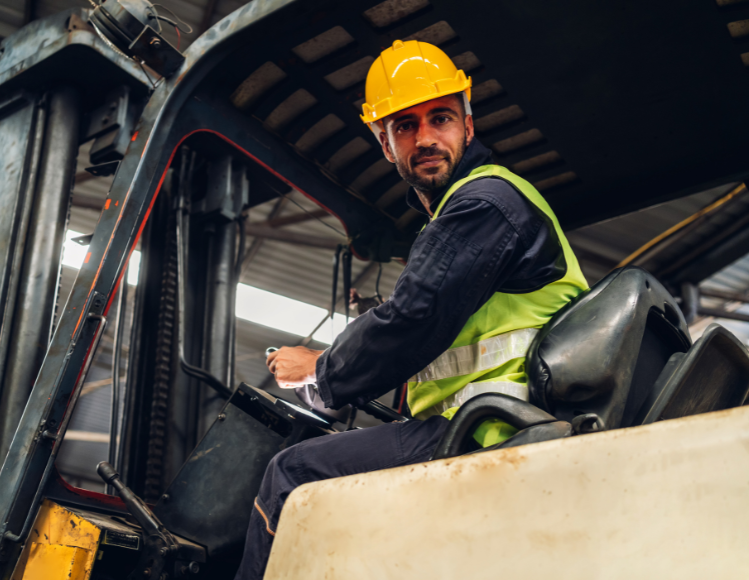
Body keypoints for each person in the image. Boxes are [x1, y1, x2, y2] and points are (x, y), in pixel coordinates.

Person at [233, 40, 589, 579]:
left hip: (489, 429)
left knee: (293, 474)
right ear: (385, 144)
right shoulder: (468, 212)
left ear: (468, 126)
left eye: (439, 118)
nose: (424, 138)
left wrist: (322, 371)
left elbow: (414, 317)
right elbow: (435, 324)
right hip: (490, 422)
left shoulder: (483, 203)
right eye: (403, 126)